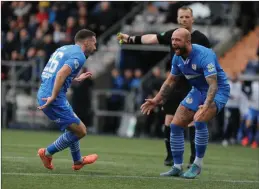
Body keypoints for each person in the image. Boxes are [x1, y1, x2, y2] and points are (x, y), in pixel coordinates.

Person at [117, 6, 211, 167]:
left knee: (192, 120)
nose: (183, 20)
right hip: (174, 83)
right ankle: (171, 156)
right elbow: (152, 38)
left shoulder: (201, 38)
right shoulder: (172, 35)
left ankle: (194, 158)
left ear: (192, 19)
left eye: (187, 17)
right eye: (181, 17)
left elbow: (210, 61)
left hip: (193, 84)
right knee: (169, 119)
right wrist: (130, 39)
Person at [140, 28, 230, 179]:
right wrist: (156, 100)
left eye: (177, 40)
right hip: (198, 90)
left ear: (188, 42)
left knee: (199, 120)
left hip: (218, 91)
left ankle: (197, 165)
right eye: (173, 40)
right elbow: (171, 81)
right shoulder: (177, 57)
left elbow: (213, 85)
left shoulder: (204, 55)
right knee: (175, 125)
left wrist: (207, 105)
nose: (174, 43)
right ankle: (176, 167)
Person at [37, 29, 98, 170]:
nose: (95, 47)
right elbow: (59, 74)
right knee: (81, 131)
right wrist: (53, 96)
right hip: (53, 97)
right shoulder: (79, 56)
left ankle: (77, 161)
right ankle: (47, 153)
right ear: (86, 42)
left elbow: (53, 72)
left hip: (47, 92)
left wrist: (75, 78)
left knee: (74, 127)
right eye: (94, 43)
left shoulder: (64, 48)